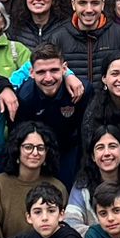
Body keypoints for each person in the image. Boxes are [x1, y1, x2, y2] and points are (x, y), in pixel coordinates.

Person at [12, 43, 90, 184]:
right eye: (41, 72)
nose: (48, 78)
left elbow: (88, 131)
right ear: (31, 72)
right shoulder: (24, 98)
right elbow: (19, 137)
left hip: (71, 149)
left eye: (54, 70)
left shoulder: (81, 91)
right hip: (39, 152)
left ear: (64, 69)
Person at [46, 0, 120, 89]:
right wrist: (66, 75)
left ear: (103, 4)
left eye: (94, 3)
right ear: (73, 4)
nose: (89, 9)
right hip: (72, 103)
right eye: (82, 3)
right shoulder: (58, 37)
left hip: (108, 104)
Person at [0, 122, 70, 238]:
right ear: (16, 149)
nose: (35, 153)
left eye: (40, 148)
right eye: (28, 147)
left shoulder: (58, 187)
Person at [68, 126, 120, 230]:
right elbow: (71, 223)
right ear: (93, 156)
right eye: (100, 148)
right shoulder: (82, 186)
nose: (106, 153)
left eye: (112, 146)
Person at [0, 183, 87, 238]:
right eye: (37, 212)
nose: (44, 218)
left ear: (61, 215)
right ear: (29, 217)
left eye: (51, 211)